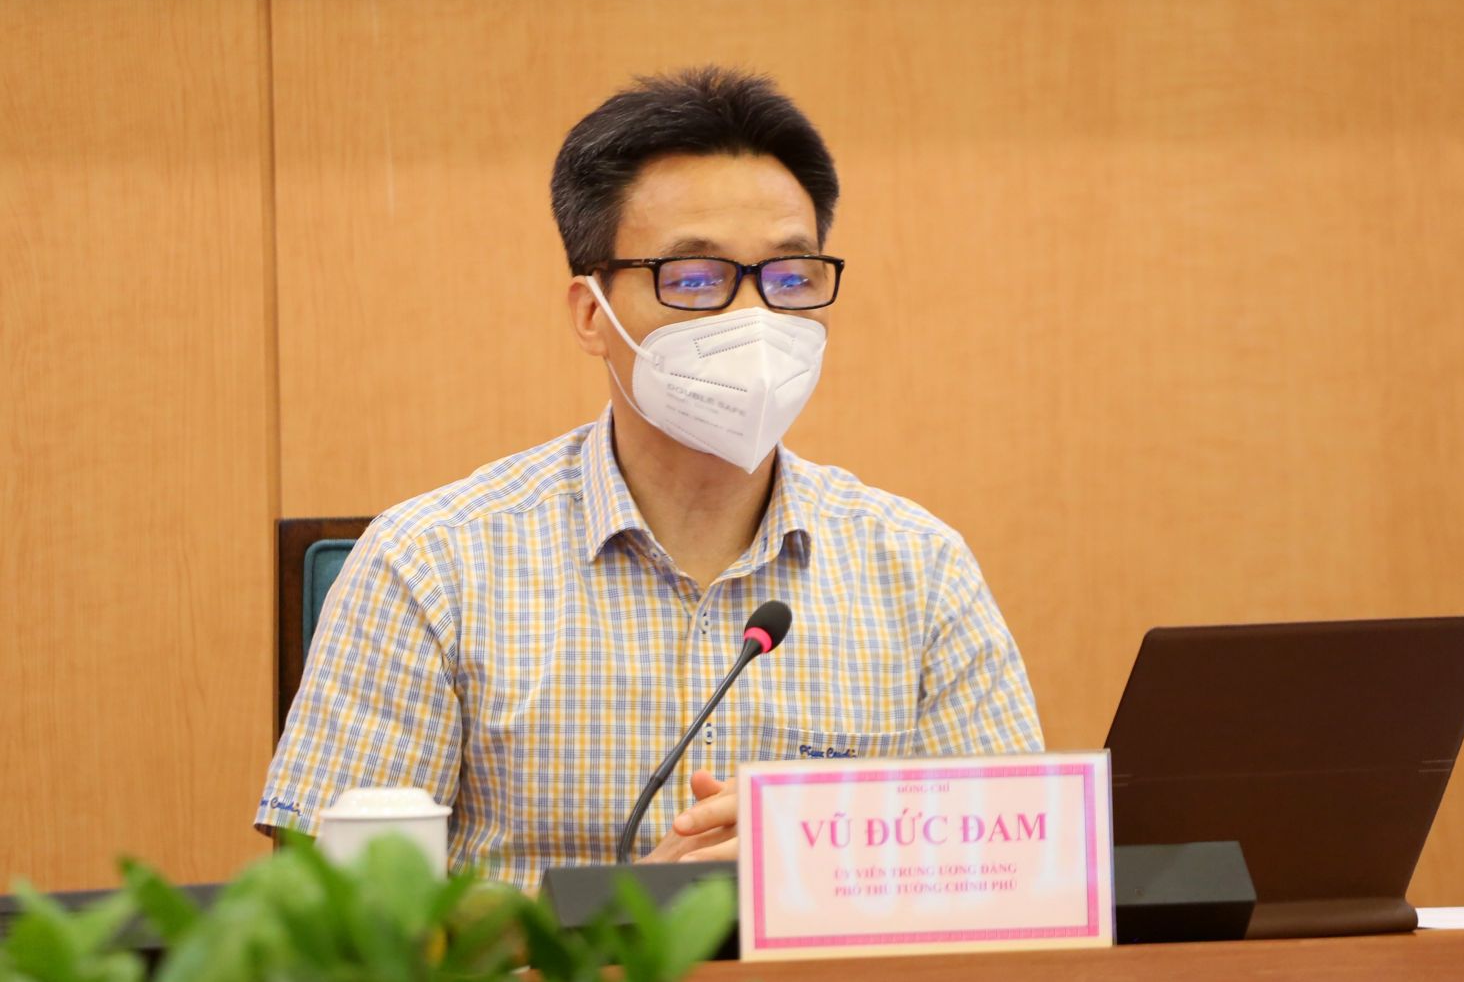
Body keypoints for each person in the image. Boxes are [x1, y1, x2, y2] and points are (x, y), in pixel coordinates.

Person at [258, 67, 1043, 890]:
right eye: (694, 278)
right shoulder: (432, 564)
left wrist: (823, 861)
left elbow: (1023, 879)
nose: (755, 318)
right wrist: (626, 917)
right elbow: (332, 923)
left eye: (791, 276)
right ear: (591, 313)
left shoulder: (919, 567)